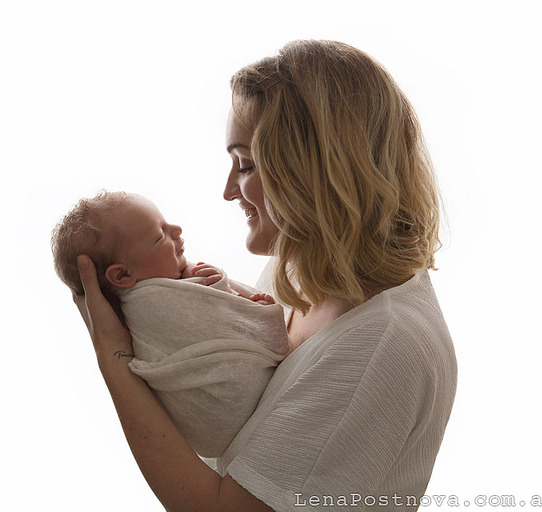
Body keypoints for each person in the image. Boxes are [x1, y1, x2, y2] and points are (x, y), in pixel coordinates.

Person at [72, 40, 457, 511]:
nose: (229, 190)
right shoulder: (297, 272)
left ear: (315, 171)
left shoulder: (382, 345)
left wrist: (115, 361)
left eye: (247, 164)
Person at [52, 191, 290, 457]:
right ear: (122, 275)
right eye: (159, 235)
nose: (176, 230)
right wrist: (223, 287)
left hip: (211, 437)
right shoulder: (151, 305)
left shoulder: (154, 293)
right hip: (229, 407)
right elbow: (222, 322)